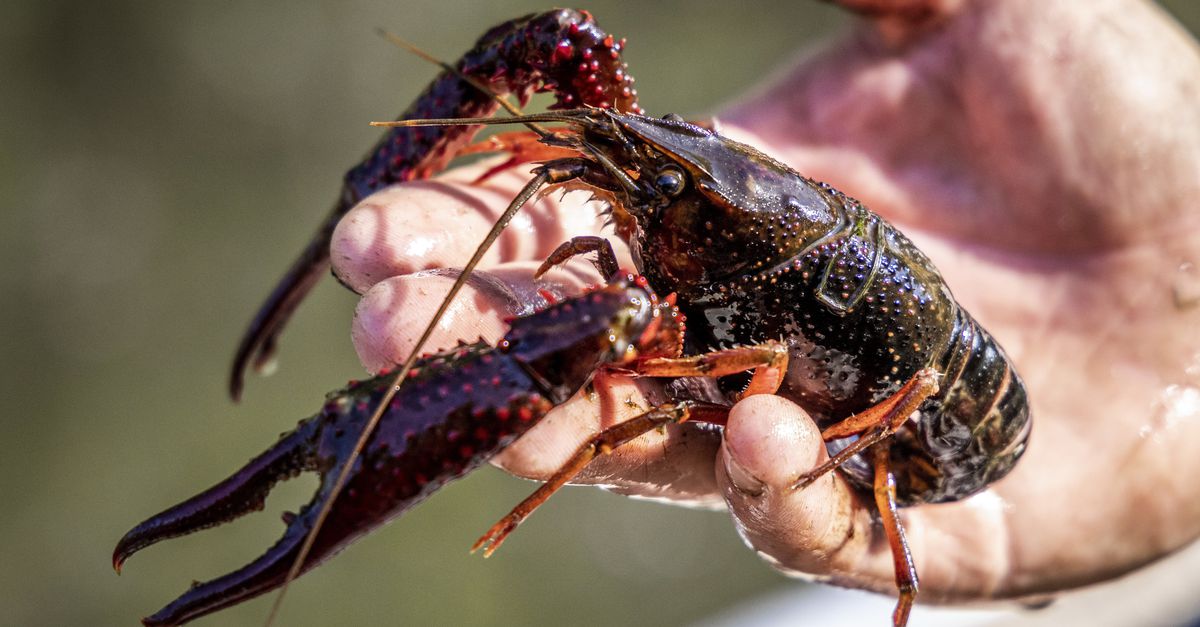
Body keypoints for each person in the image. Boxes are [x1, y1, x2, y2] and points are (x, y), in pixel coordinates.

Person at [330, 0, 1200, 614]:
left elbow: (757, 365)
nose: (655, 185)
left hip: (956, 438)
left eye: (672, 180)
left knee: (690, 388)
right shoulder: (716, 236)